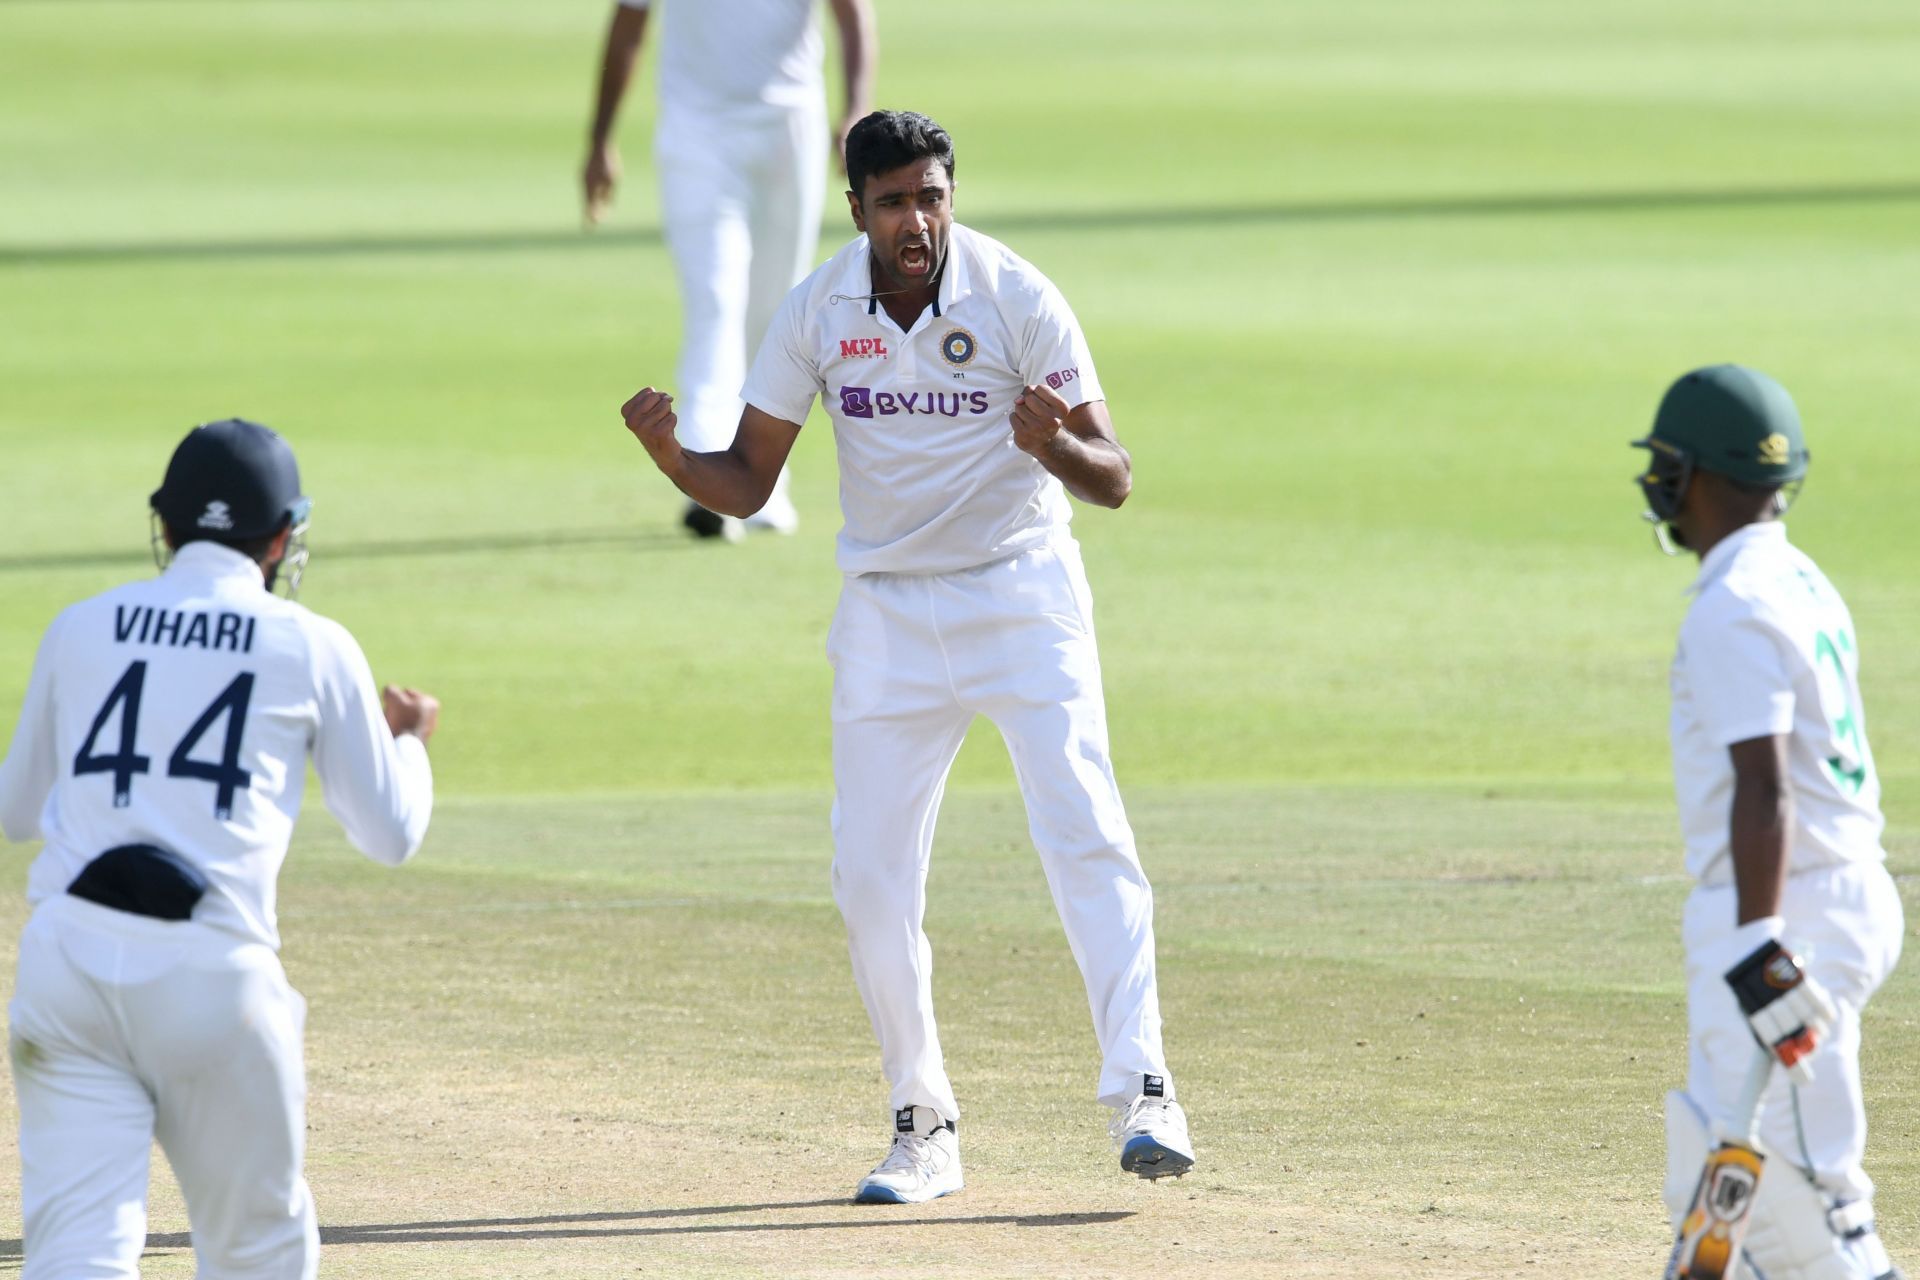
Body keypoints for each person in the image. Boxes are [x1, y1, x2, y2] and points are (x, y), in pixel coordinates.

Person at [620, 109, 1193, 1204]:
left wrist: (1053, 442)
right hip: (886, 610)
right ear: (858, 212)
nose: (917, 220)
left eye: (931, 195)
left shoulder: (1018, 294)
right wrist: (670, 458)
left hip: (1020, 592)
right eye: (893, 203)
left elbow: (1113, 474)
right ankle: (921, 1121)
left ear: (949, 192)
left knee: (1085, 829)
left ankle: (1147, 1089)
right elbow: (746, 480)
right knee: (871, 879)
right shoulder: (819, 310)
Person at [0, 420, 438, 1278]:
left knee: (77, 1253)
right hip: (213, 977)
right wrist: (411, 743)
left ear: (165, 527)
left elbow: (16, 811)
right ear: (282, 537)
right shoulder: (312, 642)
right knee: (257, 1252)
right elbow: (391, 835)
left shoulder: (80, 625)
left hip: (67, 965)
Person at [1635, 366, 1905, 1279]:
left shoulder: (1733, 605)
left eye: (1669, 462)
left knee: (1803, 1203)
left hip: (1784, 911)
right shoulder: (1795, 576)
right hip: (1825, 895)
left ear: (1704, 476)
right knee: (1718, 1183)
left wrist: (1759, 948)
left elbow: (1765, 784)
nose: (1659, 480)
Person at [584, 0, 876, 541]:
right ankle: (706, 475)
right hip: (697, 130)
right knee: (715, 298)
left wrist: (855, 107)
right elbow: (629, 25)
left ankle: (765, 480)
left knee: (775, 307)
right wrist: (600, 140)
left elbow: (851, 13)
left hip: (790, 125)